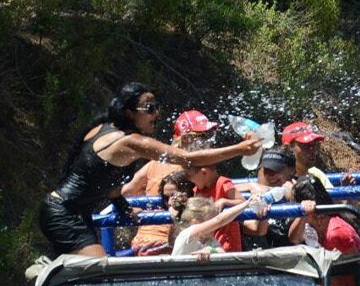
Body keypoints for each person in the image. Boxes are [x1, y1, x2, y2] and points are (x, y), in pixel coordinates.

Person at [39, 83, 258, 257]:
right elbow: (187, 157)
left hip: (71, 212)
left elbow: (111, 186)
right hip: (64, 213)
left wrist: (124, 209)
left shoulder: (105, 129)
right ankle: (48, 270)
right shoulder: (129, 141)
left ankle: (53, 270)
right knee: (98, 271)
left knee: (85, 275)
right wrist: (239, 149)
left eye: (157, 107)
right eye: (149, 109)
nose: (156, 114)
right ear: (129, 113)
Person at [125, 110, 218, 255]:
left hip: (141, 242)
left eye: (210, 135)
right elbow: (220, 188)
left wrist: (142, 208)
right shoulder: (194, 167)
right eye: (204, 136)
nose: (209, 141)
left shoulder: (155, 163)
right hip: (170, 244)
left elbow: (126, 191)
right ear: (186, 139)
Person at [290, 176, 360, 256]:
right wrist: (303, 213)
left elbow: (354, 264)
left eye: (294, 205)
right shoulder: (307, 221)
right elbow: (294, 239)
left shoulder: (336, 233)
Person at [128, 170, 194, 255]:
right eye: (166, 198)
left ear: (188, 193)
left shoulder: (197, 210)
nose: (170, 202)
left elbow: (177, 245)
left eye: (174, 196)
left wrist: (175, 219)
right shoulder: (159, 209)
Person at [169, 194, 258, 258]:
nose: (215, 227)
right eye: (210, 223)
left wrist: (210, 250)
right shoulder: (187, 234)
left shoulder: (209, 240)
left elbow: (222, 253)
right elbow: (219, 221)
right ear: (195, 222)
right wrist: (247, 204)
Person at [185, 162, 244, 251]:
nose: (189, 179)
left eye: (190, 175)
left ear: (204, 172)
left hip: (227, 243)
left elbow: (243, 202)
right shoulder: (198, 190)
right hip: (205, 244)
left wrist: (225, 201)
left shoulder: (223, 183)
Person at [282, 121, 338, 188]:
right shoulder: (277, 178)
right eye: (306, 145)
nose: (313, 150)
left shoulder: (316, 174)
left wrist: (346, 192)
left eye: (315, 145)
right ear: (288, 148)